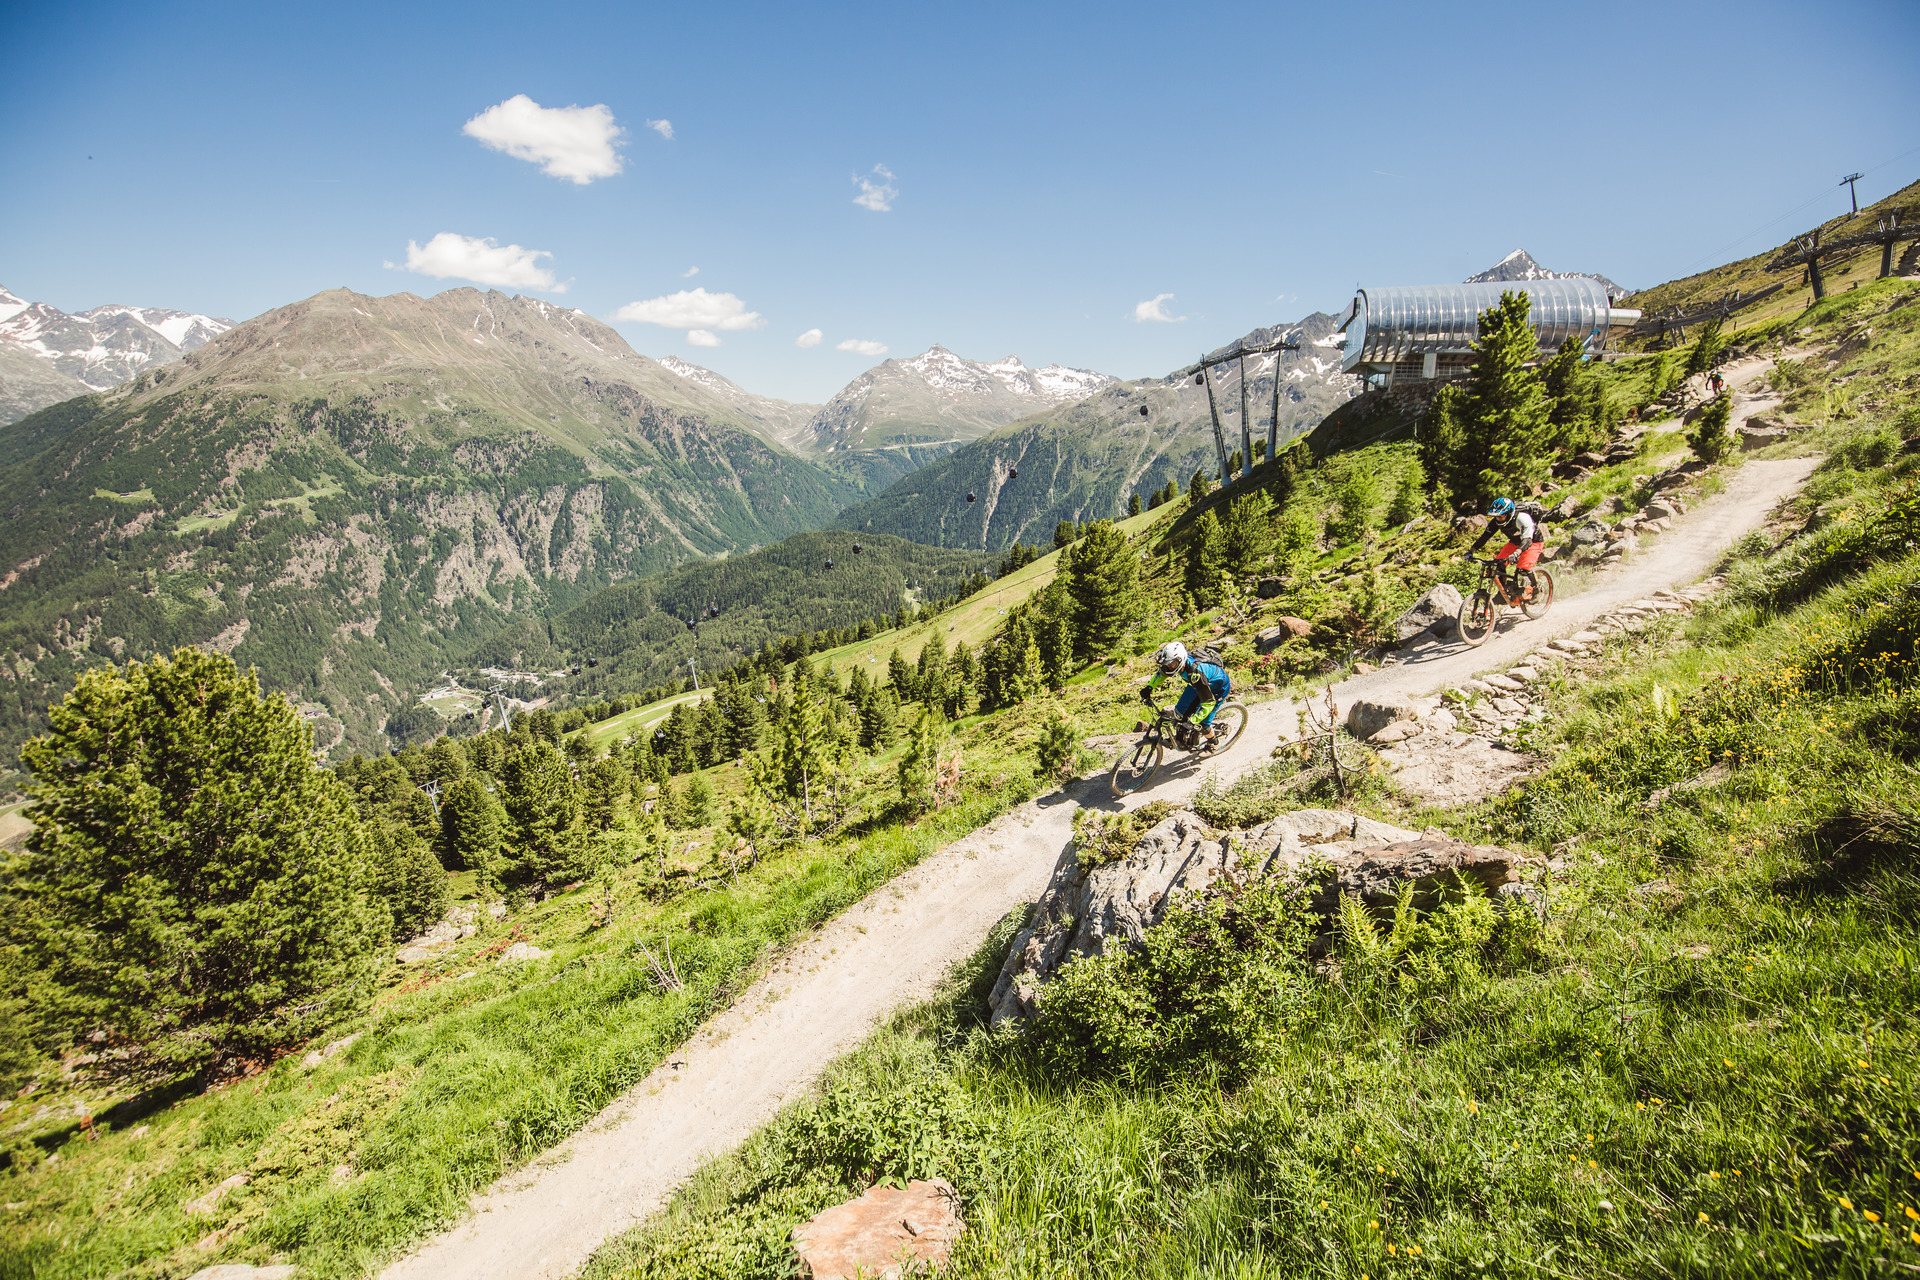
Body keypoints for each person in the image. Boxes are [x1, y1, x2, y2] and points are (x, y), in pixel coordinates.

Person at [1139, 641, 1232, 749]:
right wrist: (1149, 687)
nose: (1169, 667)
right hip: (1197, 685)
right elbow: (1162, 673)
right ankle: (1181, 739)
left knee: (1202, 724)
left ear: (1180, 660)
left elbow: (1208, 703)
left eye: (1171, 664)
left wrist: (1192, 723)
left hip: (1218, 689)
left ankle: (1213, 742)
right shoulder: (1175, 664)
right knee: (1179, 714)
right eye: (1167, 664)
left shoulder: (1196, 672)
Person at [1464, 496, 1542, 596]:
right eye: (1496, 516)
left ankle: (1537, 589)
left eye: (1501, 516)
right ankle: (1503, 594)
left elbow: (1527, 540)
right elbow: (1484, 537)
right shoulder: (1496, 522)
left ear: (1509, 513)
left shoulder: (1522, 518)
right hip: (1515, 543)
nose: (1498, 519)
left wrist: (1517, 553)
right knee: (1497, 565)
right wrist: (1471, 551)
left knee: (1523, 569)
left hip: (1533, 542)